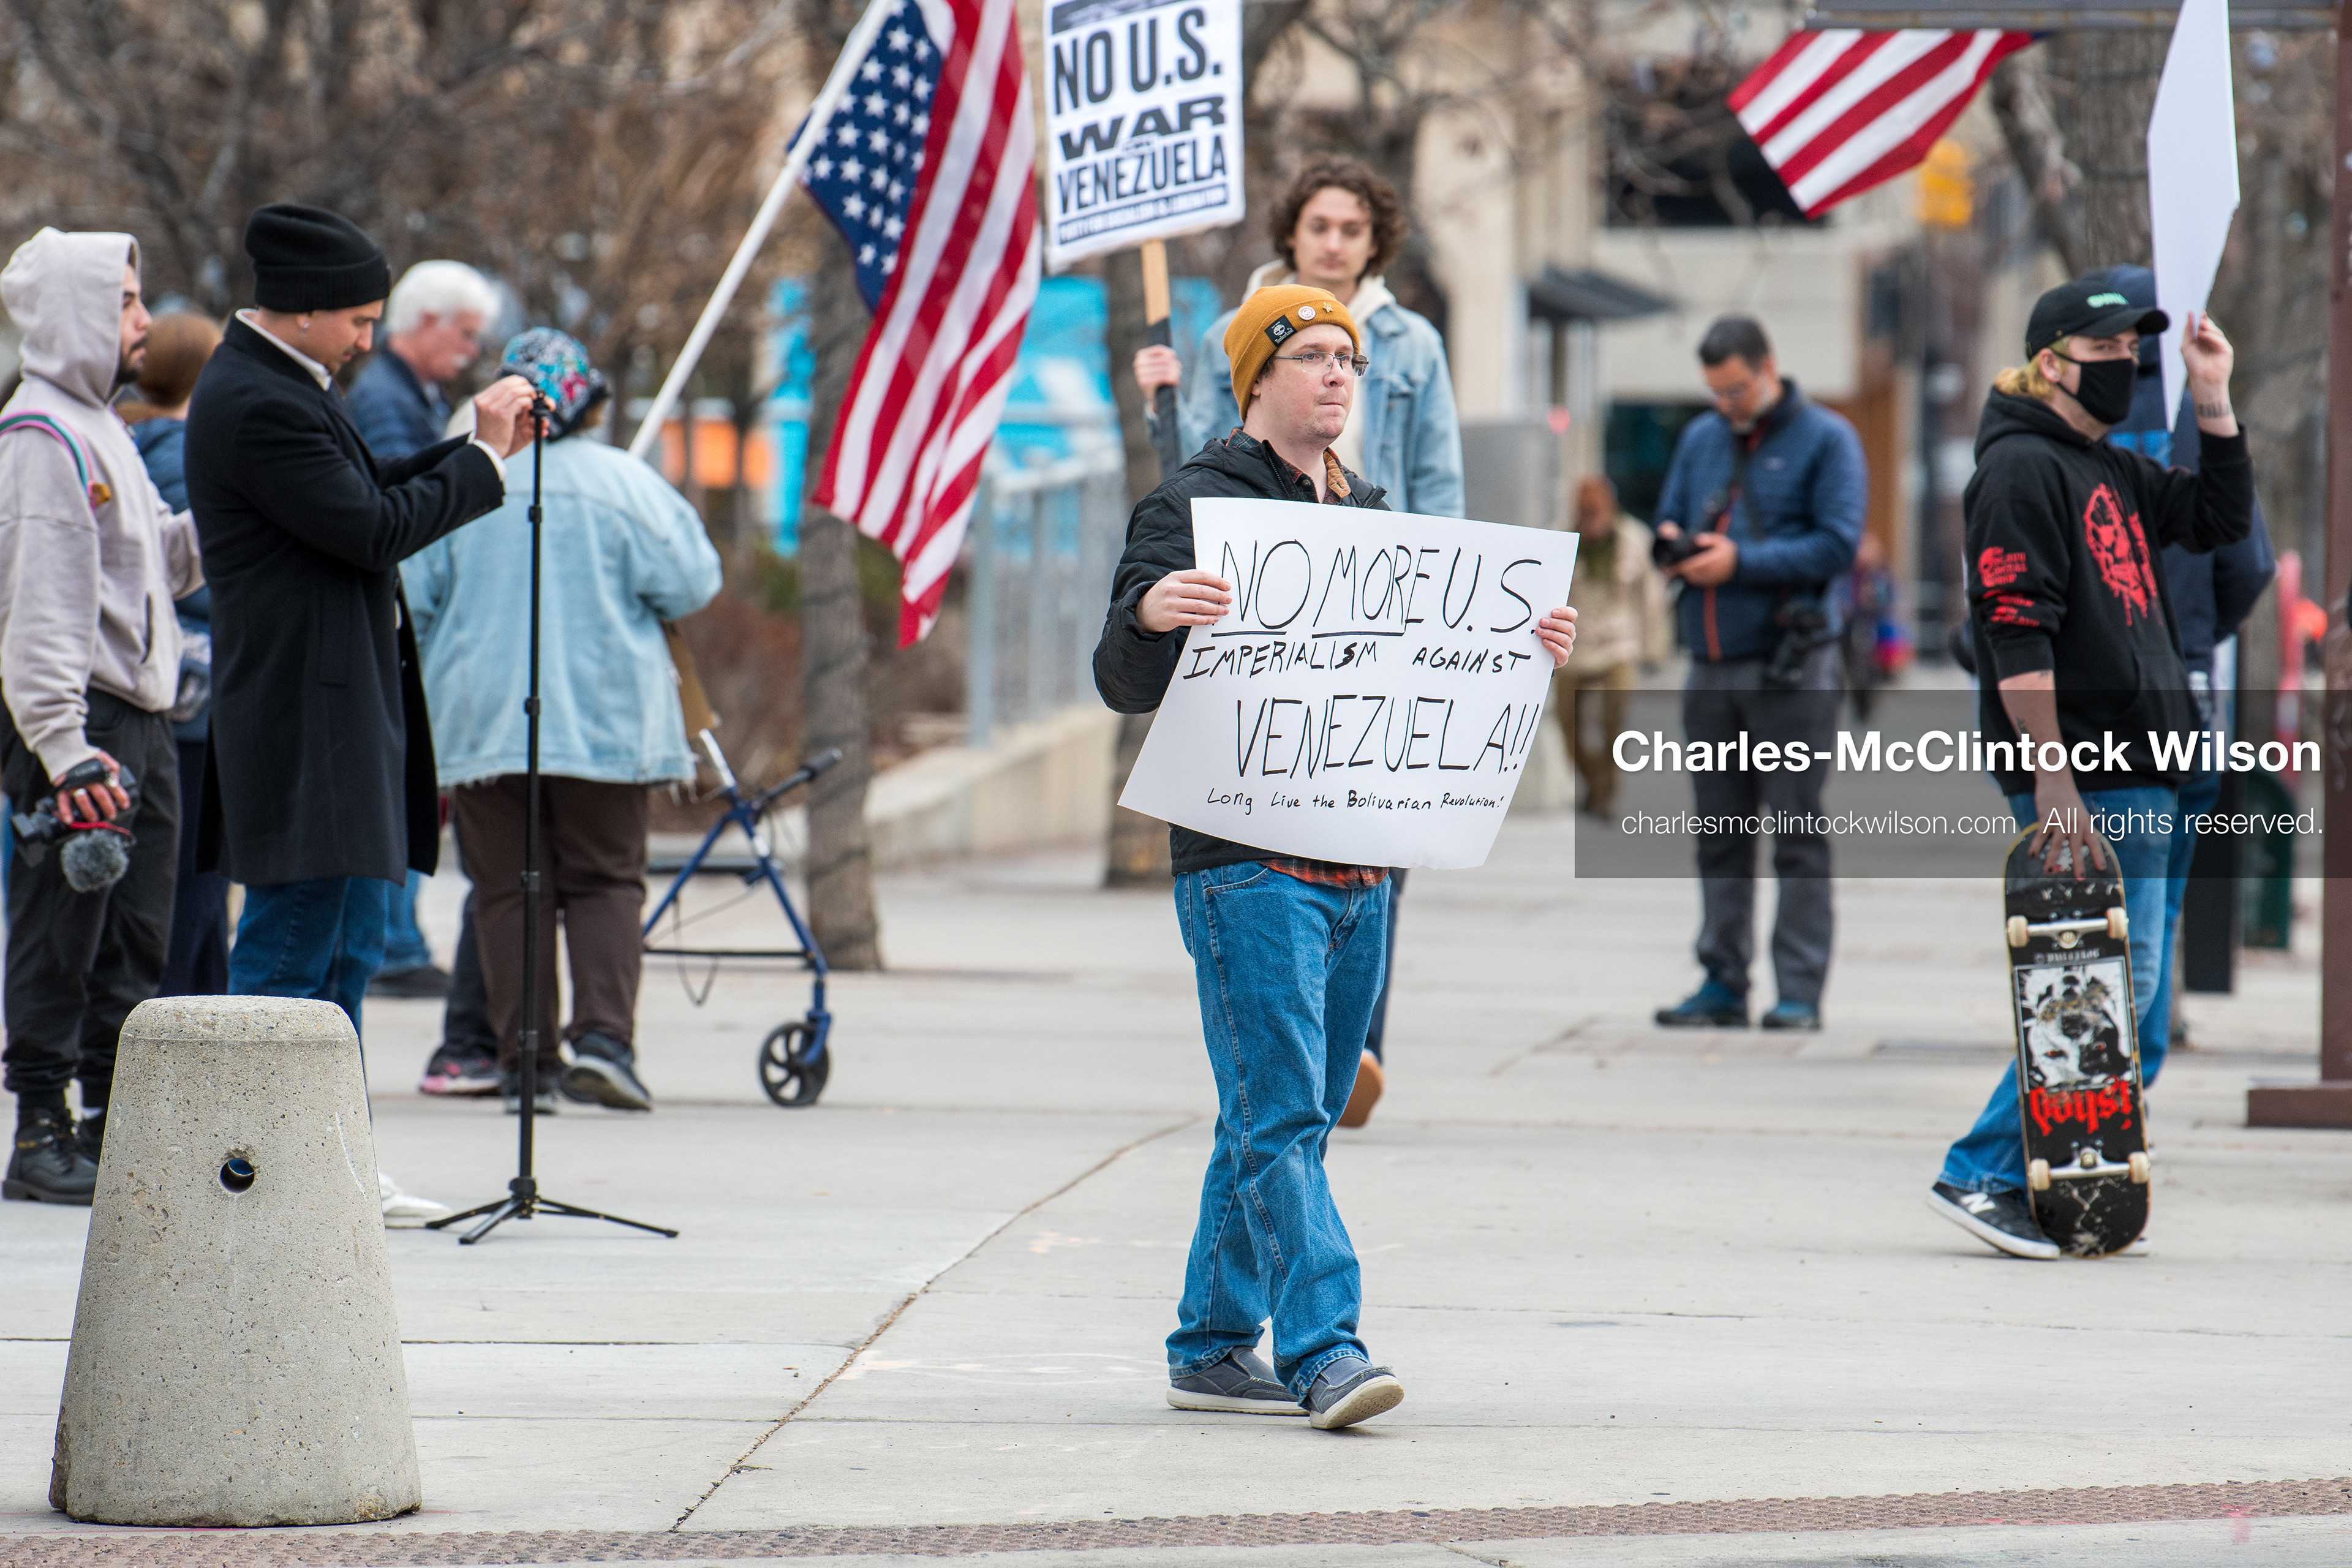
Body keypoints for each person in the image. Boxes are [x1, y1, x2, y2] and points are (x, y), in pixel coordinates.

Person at [1094, 284, 1577, 1430]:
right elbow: (1119, 678)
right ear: (1257, 378)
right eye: (1310, 356)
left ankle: (1211, 1344)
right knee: (1280, 1119)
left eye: (1348, 360)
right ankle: (1326, 1349)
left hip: (1362, 864)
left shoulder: (1376, 512)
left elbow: (1419, 673)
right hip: (1245, 862)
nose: (1337, 377)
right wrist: (1155, 612)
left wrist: (1523, 645)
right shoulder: (1195, 506)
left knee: (1282, 1107)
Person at [183, 204, 535, 1224]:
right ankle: (241, 1167)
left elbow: (365, 483)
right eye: (357, 320)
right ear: (298, 313)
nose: (369, 340)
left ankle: (325, 1167)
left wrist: (469, 438)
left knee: (336, 957)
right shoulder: (261, 402)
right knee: (292, 954)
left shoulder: (287, 383)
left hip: (331, 711)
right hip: (306, 719)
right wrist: (486, 465)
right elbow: (368, 528)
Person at [1134, 157, 1466, 1128]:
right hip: (1267, 639)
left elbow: (1437, 484)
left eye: (1351, 229)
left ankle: (1352, 1040)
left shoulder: (1412, 344)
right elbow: (1204, 463)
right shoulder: (1224, 340)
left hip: (1372, 595)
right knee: (1271, 1120)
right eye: (1319, 225)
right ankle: (1310, 1052)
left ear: (1373, 243)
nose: (1334, 241)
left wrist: (1468, 613)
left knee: (1368, 844)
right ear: (1294, 234)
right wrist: (1162, 400)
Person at [1924, 278, 2251, 1261]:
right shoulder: (2022, 471)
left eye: (2133, 350)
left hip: (2156, 758)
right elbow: (2014, 629)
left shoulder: (2101, 463)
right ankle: (1979, 1172)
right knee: (2104, 986)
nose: (2126, 365)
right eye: (2106, 350)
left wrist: (2212, 399)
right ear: (2051, 358)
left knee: (2135, 1006)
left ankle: (2076, 1173)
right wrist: (2053, 780)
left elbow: (2218, 520)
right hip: (2093, 767)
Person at [404, 329, 721, 1115]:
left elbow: (413, 595)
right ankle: (607, 1042)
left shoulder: (464, 480)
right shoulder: (627, 485)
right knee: (607, 880)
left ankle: (524, 1063)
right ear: (594, 406)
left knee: (509, 890)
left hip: (483, 725)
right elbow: (692, 583)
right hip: (606, 726)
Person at [0, 228, 202, 1204]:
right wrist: (63, 750)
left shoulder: (103, 426)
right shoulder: (44, 438)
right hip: (88, 729)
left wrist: (243, 518)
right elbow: (40, 607)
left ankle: (115, 1125)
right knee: (63, 931)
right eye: (125, 301)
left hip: (139, 721)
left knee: (133, 938)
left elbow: (153, 561)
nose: (144, 321)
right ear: (79, 313)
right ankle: (42, 1132)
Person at [1651, 315, 1864, 1033]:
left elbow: (1837, 544)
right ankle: (1722, 980)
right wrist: (1674, 544)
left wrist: (1739, 561)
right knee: (1720, 831)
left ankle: (1798, 991)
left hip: (1790, 665)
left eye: (1737, 389)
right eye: (1715, 392)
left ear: (1768, 367)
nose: (1727, 404)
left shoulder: (1829, 438)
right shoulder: (1702, 437)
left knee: (1796, 830)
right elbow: (1673, 515)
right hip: (1709, 664)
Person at [2090, 264, 2274, 1054]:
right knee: (2157, 903)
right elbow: (2248, 562)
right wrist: (2193, 637)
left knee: (2083, 912)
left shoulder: (2066, 422)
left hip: (2084, 700)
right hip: (2184, 691)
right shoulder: (2201, 417)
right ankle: (2137, 1077)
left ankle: (2096, 1088)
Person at [348, 259, 500, 1006]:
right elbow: (405, 514)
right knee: (402, 790)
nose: (471, 352)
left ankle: (396, 938)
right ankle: (395, 941)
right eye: (466, 335)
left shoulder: (411, 394)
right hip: (400, 619)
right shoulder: (386, 402)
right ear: (428, 321)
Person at [119, 312, 231, 999]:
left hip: (166, 697)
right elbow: (200, 582)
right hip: (192, 705)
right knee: (192, 891)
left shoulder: (132, 442)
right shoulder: (187, 456)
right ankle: (179, 1047)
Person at [1556, 473, 1667, 819]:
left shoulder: (1633, 539)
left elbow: (1651, 597)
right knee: (1567, 723)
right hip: (1577, 647)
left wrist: (1654, 647)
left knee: (1613, 720)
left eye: (1597, 512)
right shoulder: (1561, 539)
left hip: (1619, 643)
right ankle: (1596, 782)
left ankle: (1604, 796)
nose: (1591, 520)